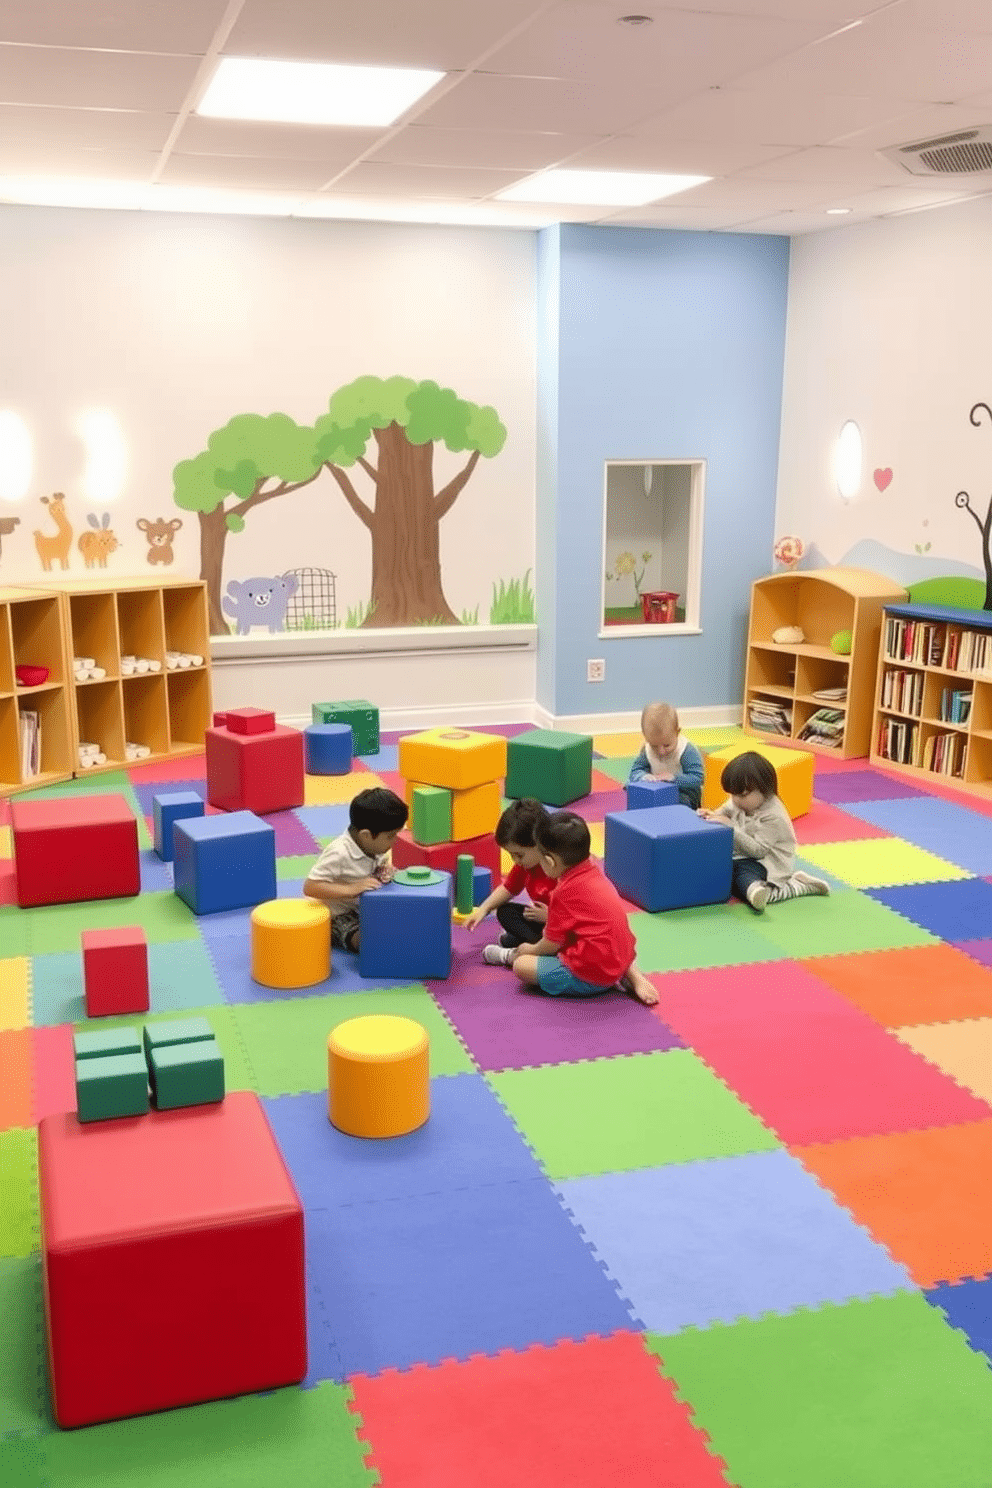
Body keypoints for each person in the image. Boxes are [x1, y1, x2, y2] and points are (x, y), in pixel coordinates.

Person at [482, 810, 658, 1005]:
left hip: (592, 975)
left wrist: (528, 950)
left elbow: (551, 944)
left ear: (549, 861)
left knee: (521, 966)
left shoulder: (563, 892)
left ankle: (510, 954)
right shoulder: (593, 871)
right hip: (617, 960)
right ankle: (626, 976)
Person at [697, 751, 829, 912]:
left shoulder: (773, 816)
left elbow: (758, 851)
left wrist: (731, 826)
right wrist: (712, 815)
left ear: (764, 789)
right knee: (721, 870)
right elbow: (724, 811)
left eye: (743, 795)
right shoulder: (740, 801)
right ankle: (753, 888)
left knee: (738, 873)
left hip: (768, 863)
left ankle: (795, 887)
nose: (736, 800)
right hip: (745, 857)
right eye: (732, 794)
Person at [303, 786, 408, 951]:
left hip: (364, 907)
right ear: (366, 835)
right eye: (390, 836)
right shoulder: (339, 853)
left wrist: (385, 870)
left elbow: (379, 867)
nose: (395, 841)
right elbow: (310, 887)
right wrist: (350, 889)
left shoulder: (375, 847)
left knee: (406, 920)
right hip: (338, 914)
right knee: (366, 942)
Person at [464, 798, 556, 948]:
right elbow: (508, 888)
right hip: (542, 924)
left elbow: (577, 914)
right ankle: (536, 943)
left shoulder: (558, 866)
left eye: (519, 855)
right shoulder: (526, 866)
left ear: (539, 844)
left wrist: (550, 918)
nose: (515, 860)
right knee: (506, 912)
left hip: (564, 925)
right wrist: (484, 909)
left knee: (510, 940)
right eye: (511, 855)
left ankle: (540, 947)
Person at [628, 701, 704, 809]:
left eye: (667, 745)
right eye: (654, 746)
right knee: (634, 793)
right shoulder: (647, 750)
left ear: (677, 732)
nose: (661, 751)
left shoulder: (686, 751)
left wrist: (674, 778)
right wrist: (644, 776)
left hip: (684, 793)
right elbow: (635, 771)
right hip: (656, 791)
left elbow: (697, 778)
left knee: (675, 805)